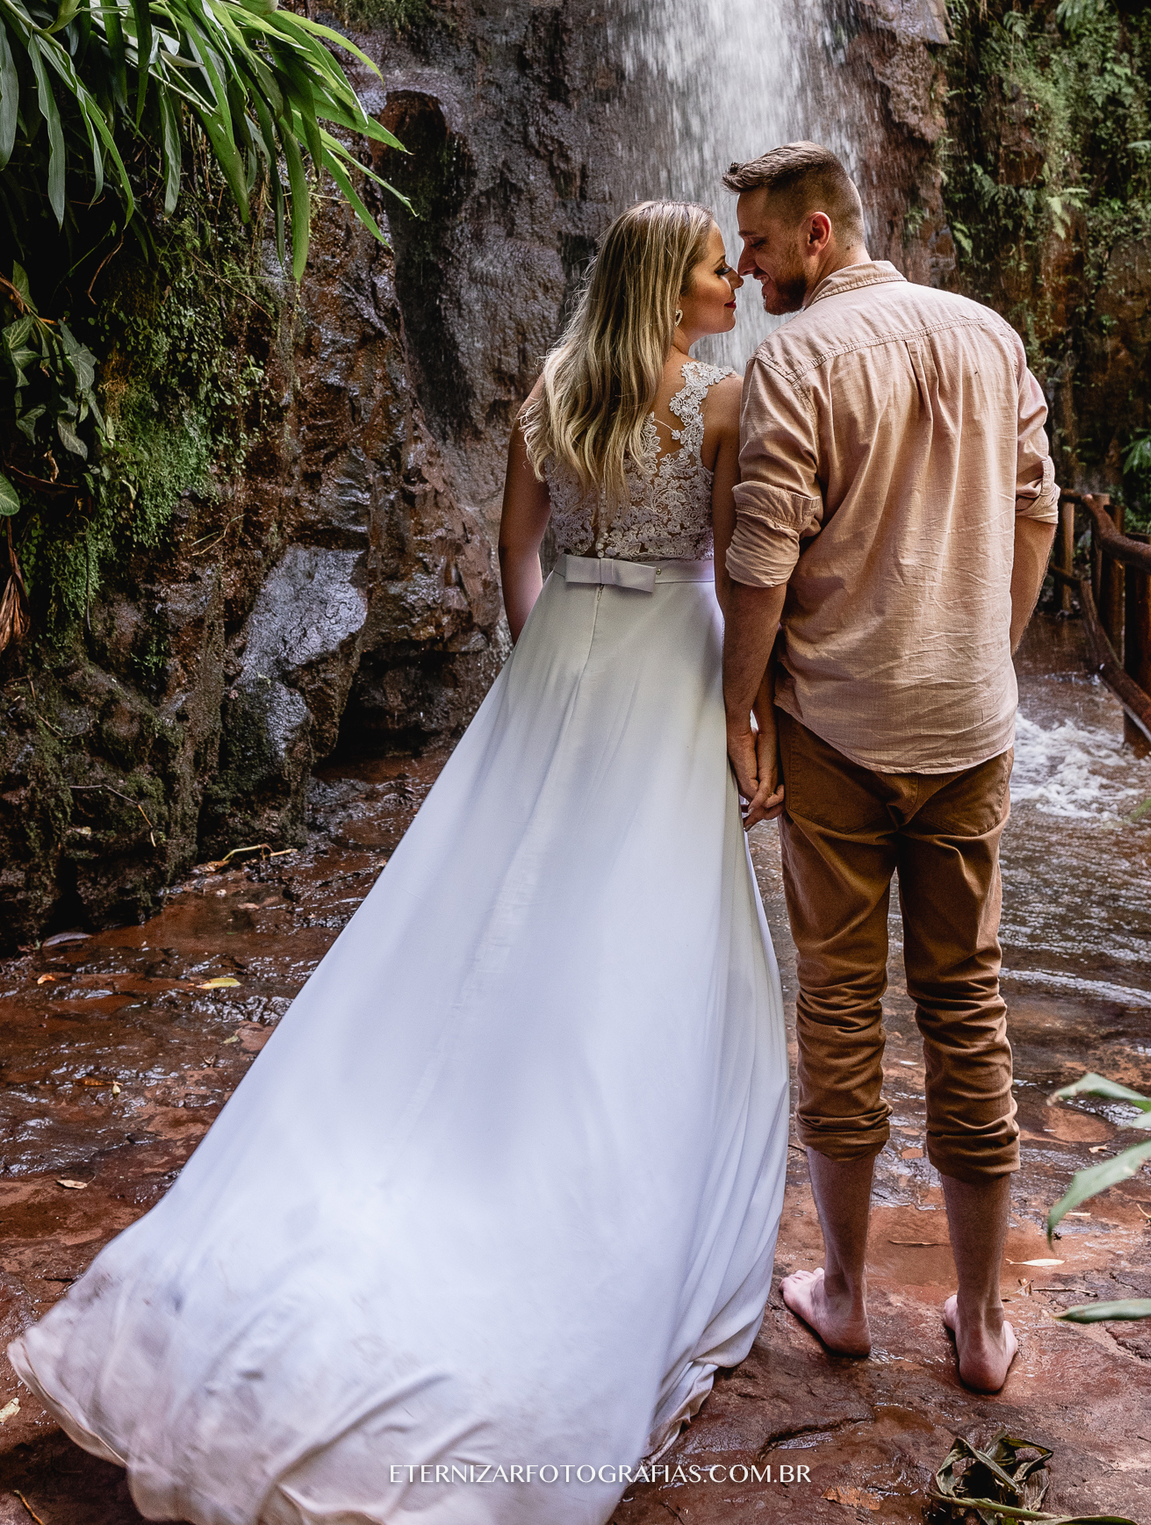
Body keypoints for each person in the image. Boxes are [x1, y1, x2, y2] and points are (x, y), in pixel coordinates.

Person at [8, 201, 790, 1524]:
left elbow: (516, 553)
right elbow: (736, 564)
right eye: (719, 264)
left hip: (561, 660)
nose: (737, 280)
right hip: (668, 663)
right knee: (647, 931)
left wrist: (544, 667)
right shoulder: (715, 409)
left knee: (486, 905)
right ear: (668, 285)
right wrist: (740, 709)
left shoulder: (550, 387)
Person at [719, 143, 1058, 1395]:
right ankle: (978, 1322)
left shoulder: (796, 359)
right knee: (968, 1003)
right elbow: (1038, 508)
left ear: (817, 235)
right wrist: (987, 644)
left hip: (838, 731)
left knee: (841, 1005)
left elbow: (759, 560)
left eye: (756, 243)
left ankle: (849, 1295)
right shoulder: (989, 333)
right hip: (970, 726)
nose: (742, 268)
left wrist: (739, 711)